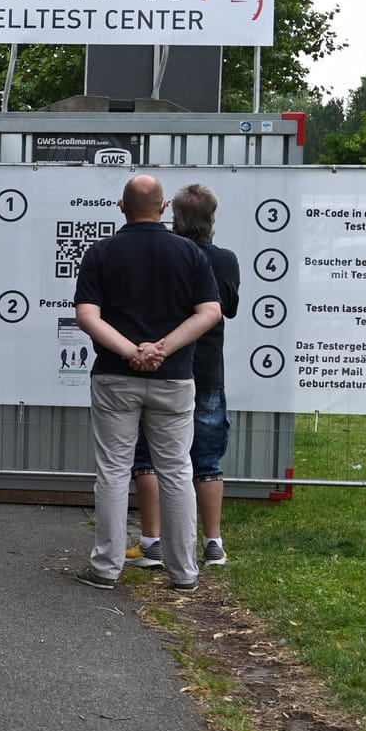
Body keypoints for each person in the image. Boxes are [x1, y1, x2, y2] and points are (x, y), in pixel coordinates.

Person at [72, 175, 221, 594]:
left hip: (115, 377)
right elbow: (210, 311)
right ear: (162, 209)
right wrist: (163, 348)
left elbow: (87, 316)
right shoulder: (190, 253)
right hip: (174, 378)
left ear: (121, 206)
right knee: (176, 470)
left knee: (114, 472)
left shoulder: (101, 252)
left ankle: (105, 567)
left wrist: (131, 352)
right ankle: (185, 573)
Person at [128, 183, 240, 569]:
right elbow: (230, 307)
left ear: (173, 216)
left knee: (147, 458)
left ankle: (152, 541)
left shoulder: (167, 254)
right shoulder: (225, 260)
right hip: (207, 372)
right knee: (206, 461)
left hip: (164, 371)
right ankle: (213, 543)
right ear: (212, 219)